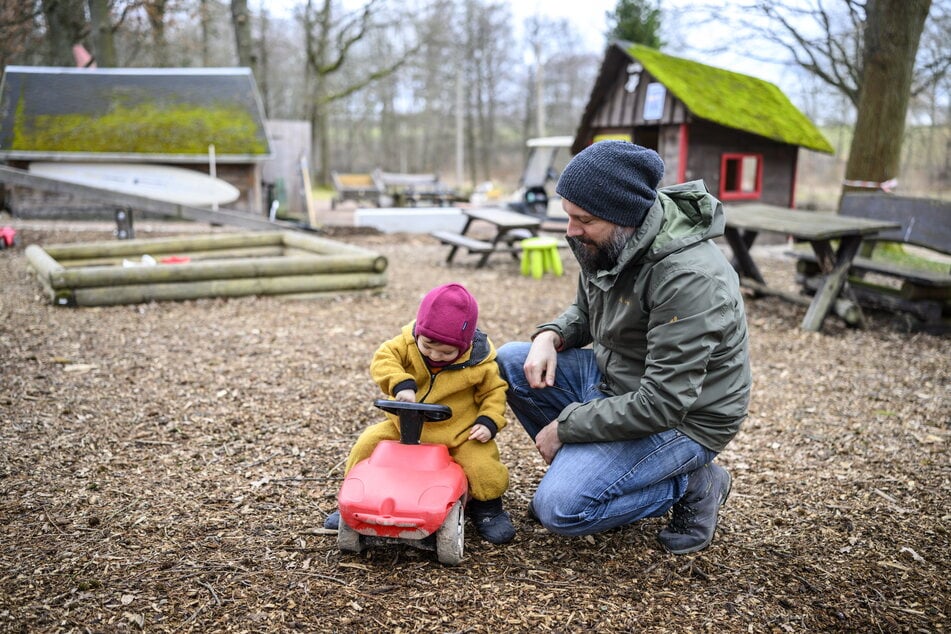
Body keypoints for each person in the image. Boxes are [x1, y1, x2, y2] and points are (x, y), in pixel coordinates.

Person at [496, 140, 752, 554]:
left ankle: (693, 482)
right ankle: (596, 471)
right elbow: (586, 308)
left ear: (626, 218)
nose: (570, 230)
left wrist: (567, 426)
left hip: (685, 418)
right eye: (568, 216)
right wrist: (550, 335)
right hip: (619, 380)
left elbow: (664, 403)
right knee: (512, 360)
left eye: (584, 220)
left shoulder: (688, 278)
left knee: (561, 509)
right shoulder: (608, 240)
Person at [325, 283, 516, 544]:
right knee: (367, 444)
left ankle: (488, 509)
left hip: (458, 432)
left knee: (482, 465)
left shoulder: (478, 363)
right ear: (419, 332)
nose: (436, 355)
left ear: (465, 344)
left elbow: (494, 393)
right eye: (428, 346)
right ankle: (353, 499)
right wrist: (401, 383)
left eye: (447, 352)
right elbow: (383, 359)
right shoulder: (405, 344)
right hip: (404, 424)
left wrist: (489, 421)